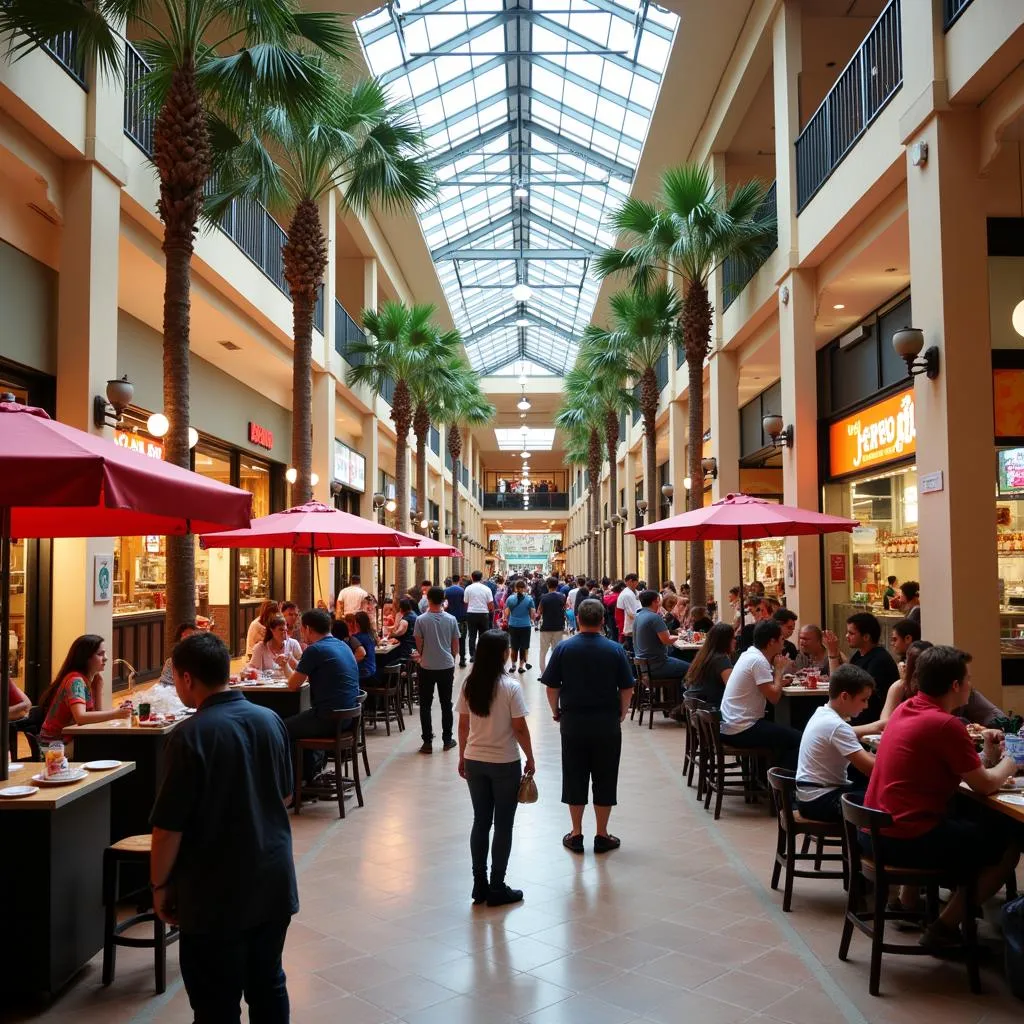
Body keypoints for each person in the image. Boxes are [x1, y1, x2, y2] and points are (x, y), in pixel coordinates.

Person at [150, 631, 297, 1023]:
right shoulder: (271, 721)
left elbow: (168, 828)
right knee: (268, 983)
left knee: (215, 1000)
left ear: (185, 679)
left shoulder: (189, 736)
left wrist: (159, 884)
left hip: (214, 890)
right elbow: (284, 796)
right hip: (272, 876)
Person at [861, 645, 1020, 949]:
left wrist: (988, 756)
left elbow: (972, 775)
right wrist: (1013, 758)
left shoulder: (907, 710)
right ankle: (944, 927)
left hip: (876, 831)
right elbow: (985, 786)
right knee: (1007, 846)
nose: (971, 686)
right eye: (968, 680)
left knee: (970, 822)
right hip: (904, 838)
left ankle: (915, 904)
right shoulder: (945, 724)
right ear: (956, 686)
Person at [542, 599, 635, 854]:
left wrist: (556, 711)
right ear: (603, 620)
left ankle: (576, 832)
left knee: (575, 775)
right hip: (606, 722)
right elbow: (627, 686)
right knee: (605, 776)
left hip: (573, 721)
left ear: (578, 619)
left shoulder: (564, 649)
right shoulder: (614, 650)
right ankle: (602, 834)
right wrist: (622, 713)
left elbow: (552, 686)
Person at [456, 630, 535, 908]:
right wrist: (531, 757)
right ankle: (497, 885)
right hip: (504, 762)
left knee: (481, 820)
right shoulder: (510, 687)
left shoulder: (469, 684)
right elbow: (520, 727)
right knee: (503, 824)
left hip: (475, 759)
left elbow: (463, 725)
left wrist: (462, 756)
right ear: (503, 654)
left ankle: (479, 883)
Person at [284, 609, 361, 784]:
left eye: (301, 628)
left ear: (308, 629)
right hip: (348, 717)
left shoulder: (315, 650)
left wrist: (285, 666)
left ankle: (295, 784)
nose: (301, 632)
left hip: (329, 718)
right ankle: (310, 774)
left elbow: (293, 685)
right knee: (302, 721)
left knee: (282, 728)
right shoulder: (343, 646)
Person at [795, 664, 877, 821]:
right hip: (820, 801)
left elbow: (850, 738)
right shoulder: (837, 726)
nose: (866, 706)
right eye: (864, 700)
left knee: (868, 788)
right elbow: (870, 769)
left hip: (809, 797)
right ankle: (863, 845)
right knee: (882, 802)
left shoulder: (822, 713)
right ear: (844, 696)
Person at [719, 619, 801, 770]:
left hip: (730, 724)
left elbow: (765, 686)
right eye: (782, 639)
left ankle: (769, 778)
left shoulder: (749, 654)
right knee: (799, 739)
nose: (784, 643)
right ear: (771, 642)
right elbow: (774, 698)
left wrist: (779, 682)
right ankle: (783, 784)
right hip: (741, 729)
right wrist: (779, 671)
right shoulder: (758, 661)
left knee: (784, 735)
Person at [38, 635, 131, 742]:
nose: (106, 657)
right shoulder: (75, 681)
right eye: (100, 654)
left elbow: (97, 715)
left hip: (72, 740)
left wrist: (98, 688)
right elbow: (81, 717)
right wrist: (115, 714)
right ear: (86, 658)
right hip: (55, 745)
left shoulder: (93, 680)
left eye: (104, 653)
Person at [827, 612, 899, 724]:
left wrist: (832, 653)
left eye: (851, 633)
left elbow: (845, 687)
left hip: (870, 722)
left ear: (866, 637)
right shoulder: (858, 655)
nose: (847, 636)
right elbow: (839, 682)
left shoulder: (879, 660)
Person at [415, 586, 461, 753]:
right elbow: (455, 643)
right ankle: (447, 740)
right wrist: (453, 657)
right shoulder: (451, 619)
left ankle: (427, 742)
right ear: (444, 600)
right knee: (445, 703)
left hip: (426, 666)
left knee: (425, 704)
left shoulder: (421, 620)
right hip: (446, 666)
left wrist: (421, 655)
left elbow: (418, 641)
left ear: (428, 599)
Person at [633, 590, 689, 682]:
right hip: (657, 665)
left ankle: (673, 694)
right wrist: (680, 637)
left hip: (643, 666)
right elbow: (667, 640)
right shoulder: (654, 617)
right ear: (655, 601)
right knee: (692, 669)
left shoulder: (638, 615)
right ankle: (681, 695)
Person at [683, 622, 736, 706]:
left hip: (695, 709)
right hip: (710, 710)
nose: (735, 641)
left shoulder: (704, 655)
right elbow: (733, 688)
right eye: (733, 638)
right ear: (725, 641)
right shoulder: (721, 659)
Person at [503, 579, 535, 673]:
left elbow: (506, 613)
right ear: (525, 588)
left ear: (515, 588)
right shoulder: (529, 599)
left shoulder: (510, 599)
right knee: (524, 646)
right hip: (525, 625)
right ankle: (521, 666)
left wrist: (506, 618)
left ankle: (513, 666)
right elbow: (532, 614)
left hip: (513, 625)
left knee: (513, 646)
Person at [378, 596, 417, 668]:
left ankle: (388, 677)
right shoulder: (414, 615)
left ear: (401, 609)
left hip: (405, 652)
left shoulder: (405, 620)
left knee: (384, 661)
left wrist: (391, 635)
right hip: (413, 649)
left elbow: (399, 632)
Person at [465, 570, 495, 662]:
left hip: (471, 614)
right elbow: (490, 603)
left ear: (472, 577)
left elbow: (466, 602)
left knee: (472, 635)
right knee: (483, 635)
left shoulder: (468, 588)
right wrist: (490, 612)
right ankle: (482, 654)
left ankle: (472, 656)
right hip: (483, 614)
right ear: (481, 578)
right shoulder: (486, 589)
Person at [538, 577, 567, 672]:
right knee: (557, 651)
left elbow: (539, 611)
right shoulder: (562, 596)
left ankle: (543, 673)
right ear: (557, 585)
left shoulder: (544, 597)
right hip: (558, 627)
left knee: (543, 652)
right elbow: (565, 609)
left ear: (547, 585)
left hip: (546, 627)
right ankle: (555, 672)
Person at [444, 575, 468, 667]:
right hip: (461, 618)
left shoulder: (446, 591)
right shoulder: (462, 590)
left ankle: (451, 659)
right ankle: (462, 659)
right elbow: (465, 603)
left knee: (450, 640)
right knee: (462, 640)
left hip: (448, 618)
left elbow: (444, 605)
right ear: (459, 580)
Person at [350, 610, 378, 684]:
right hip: (373, 670)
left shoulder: (356, 638)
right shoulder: (371, 635)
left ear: (357, 624)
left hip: (364, 672)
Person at [616, 573, 641, 651]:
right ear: (630, 581)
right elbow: (630, 613)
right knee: (629, 645)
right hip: (629, 621)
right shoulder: (626, 594)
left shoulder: (635, 592)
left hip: (636, 619)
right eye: (636, 581)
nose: (637, 584)